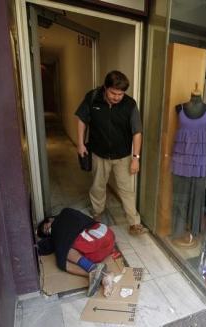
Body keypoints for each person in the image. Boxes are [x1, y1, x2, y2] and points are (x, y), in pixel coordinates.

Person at [75, 70, 148, 235]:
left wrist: (136, 158)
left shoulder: (129, 104)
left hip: (122, 156)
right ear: (105, 87)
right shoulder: (93, 97)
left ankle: (134, 223)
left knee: (127, 190)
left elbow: (137, 132)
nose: (117, 97)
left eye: (120, 94)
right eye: (113, 93)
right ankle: (97, 213)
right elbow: (81, 119)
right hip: (99, 153)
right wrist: (80, 144)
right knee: (97, 186)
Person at [37, 208, 116, 297]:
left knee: (65, 253)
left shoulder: (65, 213)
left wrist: (55, 233)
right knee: (65, 254)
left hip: (100, 233)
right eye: (47, 232)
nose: (49, 230)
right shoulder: (58, 234)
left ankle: (94, 270)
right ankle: (102, 277)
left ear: (50, 219)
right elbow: (55, 243)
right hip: (101, 250)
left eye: (46, 227)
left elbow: (61, 240)